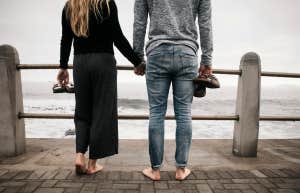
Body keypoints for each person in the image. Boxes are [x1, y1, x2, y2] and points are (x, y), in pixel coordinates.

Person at [58, 0, 145, 175]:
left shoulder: (70, 6)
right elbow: (117, 37)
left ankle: (79, 155)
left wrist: (63, 67)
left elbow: (66, 39)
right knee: (102, 112)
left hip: (80, 63)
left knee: (82, 112)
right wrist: (137, 62)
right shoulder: (105, 4)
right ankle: (92, 164)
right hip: (103, 62)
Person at [133, 0, 214, 180]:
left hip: (156, 52)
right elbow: (205, 23)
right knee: (184, 113)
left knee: (156, 113)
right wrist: (207, 60)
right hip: (187, 52)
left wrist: (137, 57)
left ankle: (155, 171)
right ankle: (180, 169)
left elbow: (139, 22)